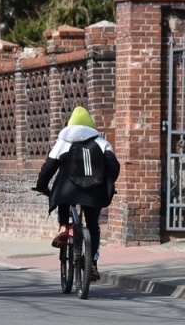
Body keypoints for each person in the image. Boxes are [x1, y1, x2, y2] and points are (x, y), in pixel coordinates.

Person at [34, 106, 120, 281]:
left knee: (63, 193)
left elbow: (48, 169)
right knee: (93, 226)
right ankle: (93, 264)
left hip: (68, 191)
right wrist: (108, 184)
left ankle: (64, 226)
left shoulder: (63, 142)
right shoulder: (101, 142)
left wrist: (42, 187)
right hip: (94, 192)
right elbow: (114, 166)